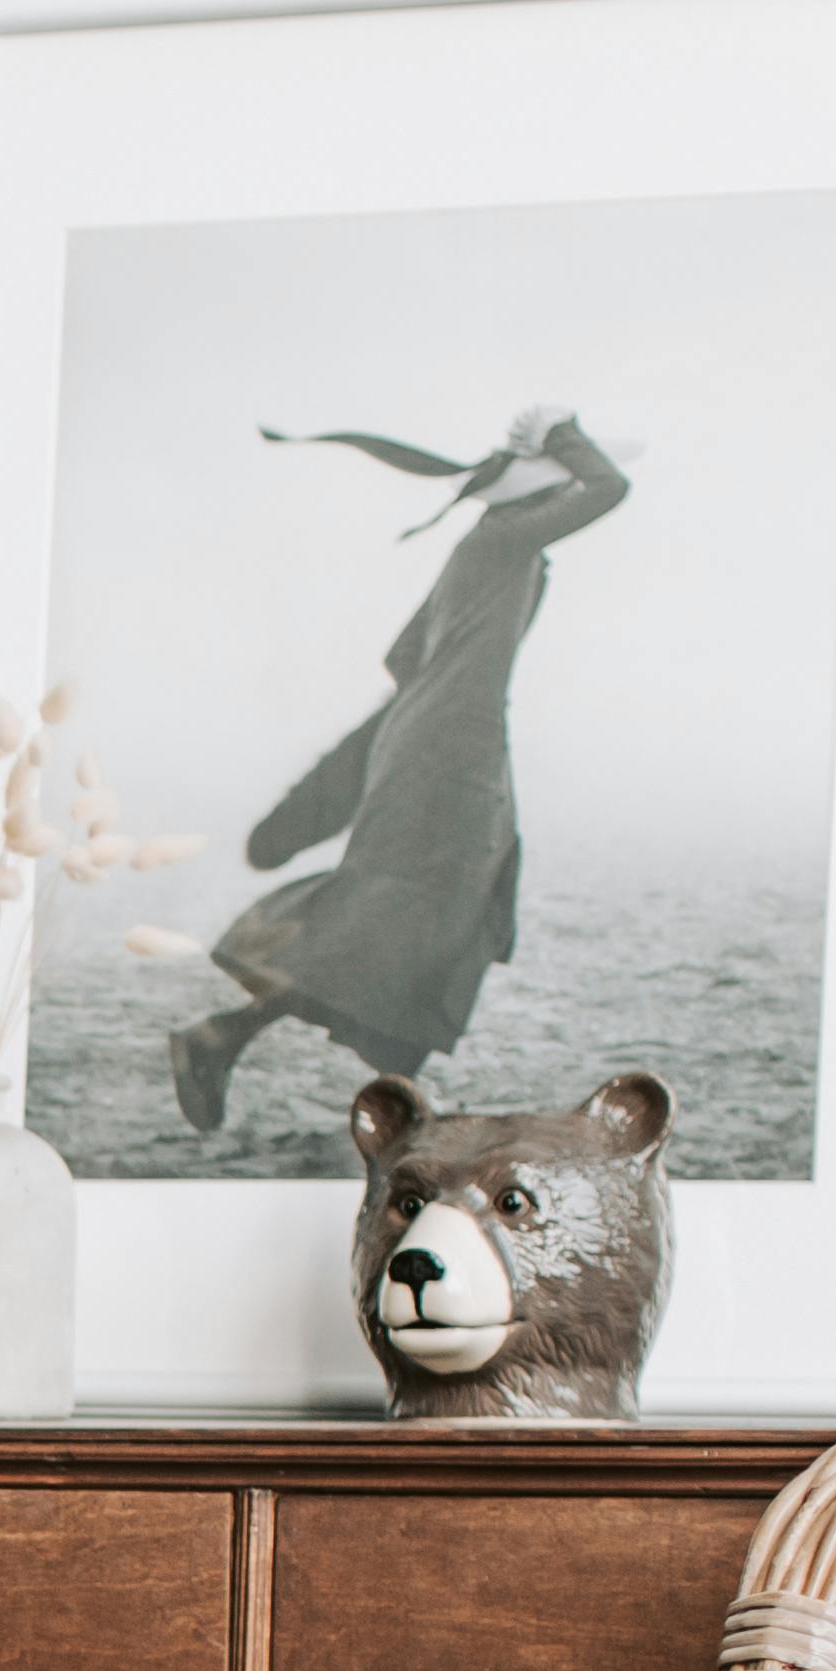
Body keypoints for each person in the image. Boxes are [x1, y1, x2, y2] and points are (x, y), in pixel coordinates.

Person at [164, 404, 631, 1135]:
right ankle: (272, 1056)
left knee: (426, 916)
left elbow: (403, 657)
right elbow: (612, 488)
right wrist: (563, 431)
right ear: (544, 492)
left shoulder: (489, 550)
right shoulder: (504, 543)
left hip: (441, 739)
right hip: (454, 745)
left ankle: (367, 1089)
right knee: (419, 916)